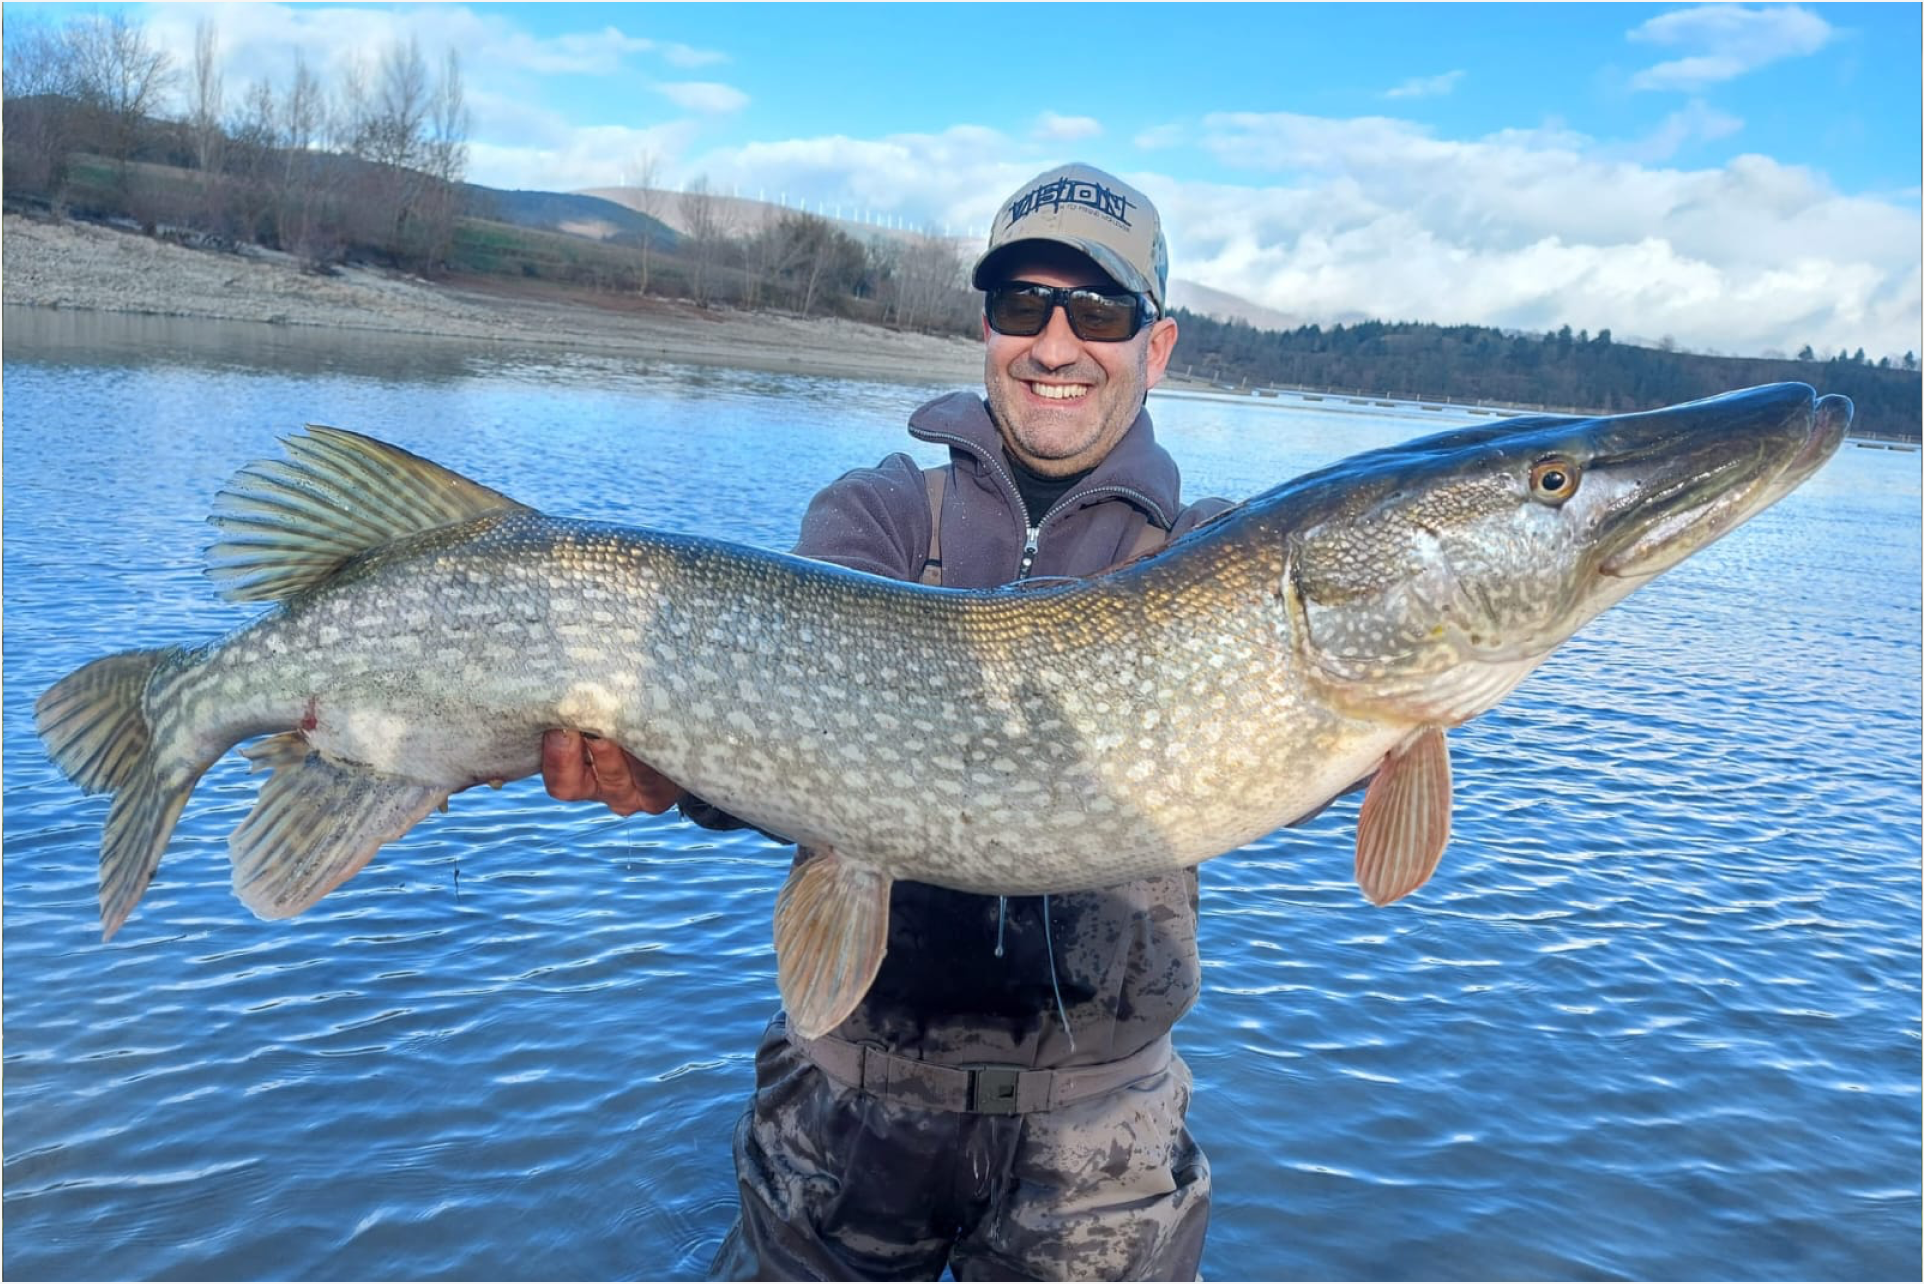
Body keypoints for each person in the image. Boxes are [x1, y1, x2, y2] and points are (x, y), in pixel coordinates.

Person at [542, 163, 1228, 1281]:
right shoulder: (878, 511)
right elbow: (774, 735)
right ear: (988, 330)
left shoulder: (1209, 555)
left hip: (1101, 1142)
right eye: (1022, 307)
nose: (1055, 345)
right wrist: (666, 770)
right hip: (849, 1106)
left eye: (1097, 311)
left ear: (1156, 346)